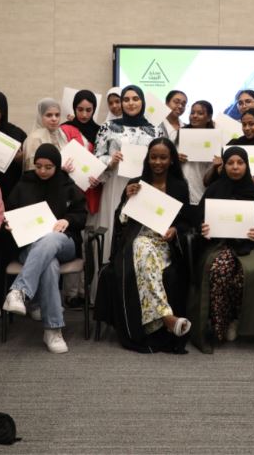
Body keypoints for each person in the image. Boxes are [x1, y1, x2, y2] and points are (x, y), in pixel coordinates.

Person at [95, 138, 193, 353]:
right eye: (153, 157)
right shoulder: (136, 183)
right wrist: (127, 200)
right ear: (147, 158)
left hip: (164, 244)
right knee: (142, 246)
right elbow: (121, 221)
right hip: (134, 241)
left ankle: (161, 319)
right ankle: (167, 318)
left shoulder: (179, 186)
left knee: (147, 260)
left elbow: (186, 221)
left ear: (172, 160)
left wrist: (175, 230)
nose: (157, 162)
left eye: (163, 157)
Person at [190, 147, 254, 353]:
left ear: (247, 165)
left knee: (250, 273)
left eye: (240, 163)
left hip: (251, 245)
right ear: (224, 166)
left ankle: (240, 320)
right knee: (218, 270)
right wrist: (204, 228)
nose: (235, 167)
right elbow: (199, 218)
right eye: (230, 163)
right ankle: (220, 326)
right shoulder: (215, 189)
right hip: (220, 243)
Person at [2, 144, 86, 354]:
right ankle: (53, 330)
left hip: (64, 243)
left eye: (48, 167)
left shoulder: (67, 185)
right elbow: (9, 213)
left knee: (51, 238)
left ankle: (20, 290)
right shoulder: (24, 184)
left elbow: (82, 215)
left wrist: (67, 220)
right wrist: (9, 225)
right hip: (29, 246)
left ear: (57, 166)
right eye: (38, 166)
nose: (42, 171)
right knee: (49, 265)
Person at [94, 85, 164, 262]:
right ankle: (111, 271)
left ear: (142, 101)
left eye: (135, 99)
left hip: (145, 185)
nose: (131, 103)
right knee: (115, 226)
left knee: (142, 232)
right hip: (116, 184)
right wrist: (111, 160)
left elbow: (163, 157)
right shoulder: (108, 127)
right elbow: (97, 157)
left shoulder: (156, 130)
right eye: (126, 99)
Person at [60, 89, 103, 215]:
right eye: (80, 109)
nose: (84, 115)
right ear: (74, 108)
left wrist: (100, 177)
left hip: (93, 186)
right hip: (70, 185)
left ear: (94, 109)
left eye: (88, 110)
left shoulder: (101, 131)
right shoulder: (64, 129)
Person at [23, 98, 77, 171]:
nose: (54, 119)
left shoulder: (61, 134)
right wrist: (60, 171)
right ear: (40, 116)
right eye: (49, 115)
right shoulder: (35, 138)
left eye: (57, 115)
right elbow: (32, 169)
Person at [179, 99, 215, 206]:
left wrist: (216, 165)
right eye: (192, 112)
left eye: (200, 113)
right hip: (178, 192)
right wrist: (174, 158)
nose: (194, 116)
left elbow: (211, 173)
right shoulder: (179, 135)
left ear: (209, 117)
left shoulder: (214, 140)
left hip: (200, 192)